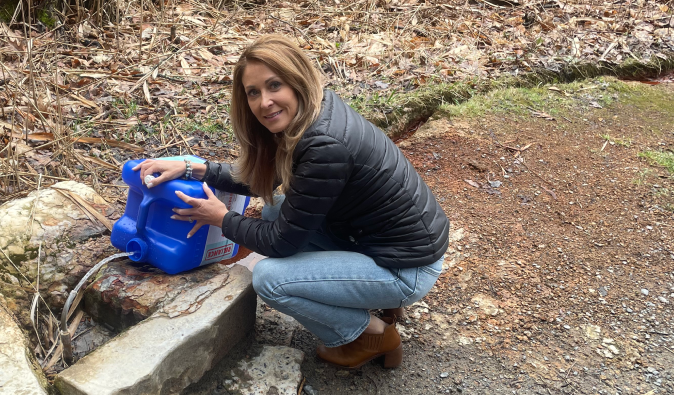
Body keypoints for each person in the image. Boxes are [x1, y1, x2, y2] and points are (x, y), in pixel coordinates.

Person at [135, 34, 449, 368]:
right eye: (253, 92)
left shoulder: (324, 145)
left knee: (270, 279)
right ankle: (376, 300)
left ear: (296, 81)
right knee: (274, 208)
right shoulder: (316, 112)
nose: (264, 102)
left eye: (274, 86)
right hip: (383, 240)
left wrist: (222, 219)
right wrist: (192, 167)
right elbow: (265, 179)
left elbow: (281, 244)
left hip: (406, 268)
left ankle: (369, 334)